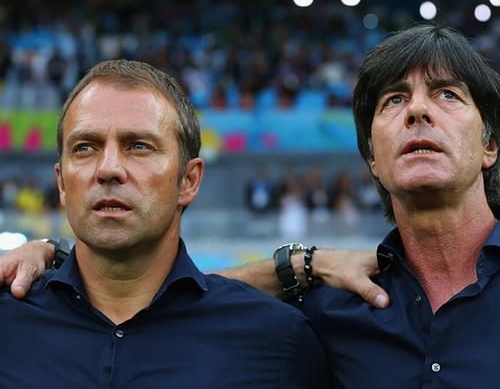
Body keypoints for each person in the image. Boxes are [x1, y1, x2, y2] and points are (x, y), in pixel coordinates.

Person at [2, 25, 500, 388]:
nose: (418, 110)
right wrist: (62, 265)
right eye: (394, 103)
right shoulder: (324, 318)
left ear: (490, 146)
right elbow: (176, 311)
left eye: (447, 96)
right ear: (372, 158)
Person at [0, 59, 329, 388]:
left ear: (188, 180)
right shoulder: (8, 324)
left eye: (138, 146)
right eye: (85, 148)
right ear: (61, 182)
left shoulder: (277, 341)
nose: (108, 168)